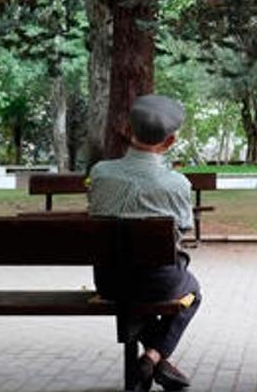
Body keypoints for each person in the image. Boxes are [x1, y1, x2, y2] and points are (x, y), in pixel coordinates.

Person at [88, 94, 201, 392]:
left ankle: (151, 356)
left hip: (109, 281)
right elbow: (183, 230)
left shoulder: (100, 173)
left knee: (134, 300)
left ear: (128, 130)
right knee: (193, 292)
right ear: (170, 141)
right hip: (158, 283)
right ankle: (154, 357)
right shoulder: (176, 184)